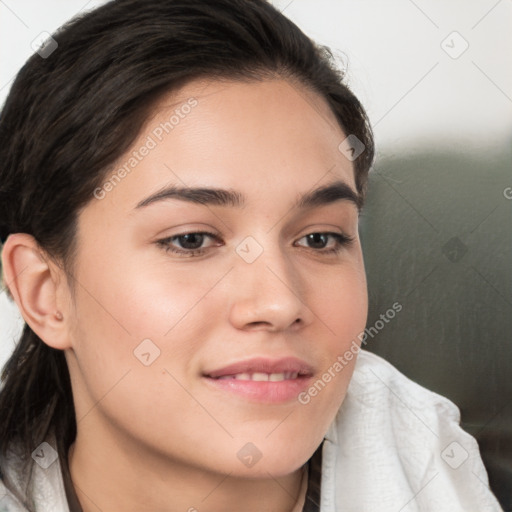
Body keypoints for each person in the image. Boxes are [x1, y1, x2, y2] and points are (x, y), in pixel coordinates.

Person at [0, 1, 503, 511]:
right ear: (45, 293)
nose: (280, 302)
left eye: (320, 239)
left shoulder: (454, 479)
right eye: (191, 240)